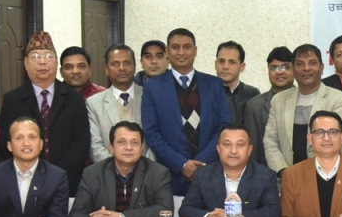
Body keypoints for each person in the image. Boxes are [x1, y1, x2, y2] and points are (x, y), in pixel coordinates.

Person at [0, 31, 91, 195]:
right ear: (26, 63)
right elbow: (6, 142)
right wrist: (32, 175)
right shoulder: (12, 99)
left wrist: (55, 177)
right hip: (24, 183)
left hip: (67, 183)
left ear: (56, 63)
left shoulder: (74, 99)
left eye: (48, 56)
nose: (42, 62)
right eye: (35, 56)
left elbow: (81, 144)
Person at [141, 27, 232, 195]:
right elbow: (151, 133)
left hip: (210, 172)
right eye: (175, 47)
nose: (181, 52)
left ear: (195, 50)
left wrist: (201, 163)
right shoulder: (152, 87)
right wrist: (181, 164)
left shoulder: (214, 84)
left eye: (187, 47)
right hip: (170, 176)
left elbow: (224, 127)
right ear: (167, 51)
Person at [263, 45, 342, 173]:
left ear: (321, 68)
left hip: (326, 176)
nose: (306, 68)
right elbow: (270, 141)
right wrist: (284, 172)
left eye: (312, 63)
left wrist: (308, 177)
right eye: (300, 64)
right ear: (293, 69)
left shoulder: (339, 99)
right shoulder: (279, 100)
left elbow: (339, 144)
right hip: (286, 178)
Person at [87, 44, 149, 164]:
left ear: (135, 67)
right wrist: (118, 169)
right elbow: (95, 146)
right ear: (106, 69)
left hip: (147, 170)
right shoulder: (94, 103)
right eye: (115, 64)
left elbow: (155, 140)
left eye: (127, 63)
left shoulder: (149, 97)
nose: (122, 68)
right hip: (109, 170)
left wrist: (144, 168)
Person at [244, 46, 295, 168]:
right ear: (268, 72)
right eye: (274, 68)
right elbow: (254, 150)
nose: (280, 72)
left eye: (285, 67)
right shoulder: (254, 106)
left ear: (294, 70)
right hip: (268, 174)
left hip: (302, 172)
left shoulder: (305, 99)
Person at [217, 41, 261, 126]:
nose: (225, 66)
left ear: (242, 67)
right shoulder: (206, 93)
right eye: (221, 61)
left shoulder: (252, 94)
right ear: (215, 64)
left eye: (232, 62)